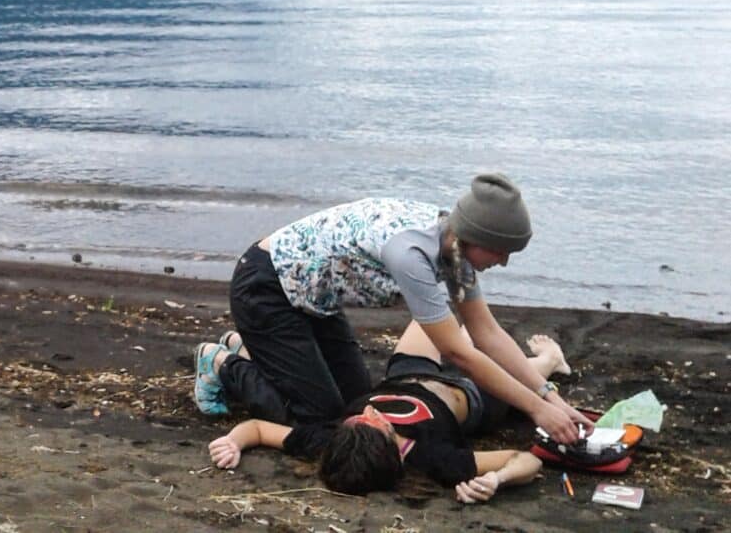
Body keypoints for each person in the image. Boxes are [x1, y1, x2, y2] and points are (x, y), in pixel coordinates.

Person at [192, 173, 593, 444]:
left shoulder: (455, 248)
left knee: (359, 404)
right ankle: (223, 365)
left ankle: (249, 346)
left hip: (314, 299)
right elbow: (459, 353)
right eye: (502, 251)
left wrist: (548, 396)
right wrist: (536, 411)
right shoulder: (412, 253)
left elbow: (486, 332)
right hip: (267, 289)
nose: (504, 262)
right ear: (475, 235)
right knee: (324, 423)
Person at [204, 323, 572, 501]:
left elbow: (256, 428)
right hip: (470, 396)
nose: (369, 413)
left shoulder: (335, 442)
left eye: (358, 418)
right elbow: (525, 460)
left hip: (404, 372)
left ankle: (461, 338)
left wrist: (233, 442)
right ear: (391, 447)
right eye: (374, 423)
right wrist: (498, 479)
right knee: (516, 382)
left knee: (435, 302)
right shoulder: (433, 458)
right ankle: (549, 360)